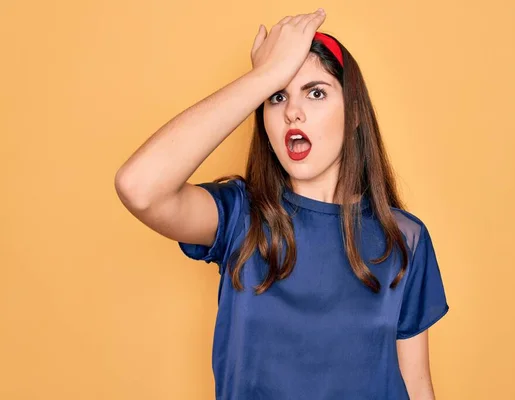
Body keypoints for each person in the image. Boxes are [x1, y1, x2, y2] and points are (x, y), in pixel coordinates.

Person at [115, 8, 449, 400]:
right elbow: (139, 186)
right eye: (277, 96)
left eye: (316, 92)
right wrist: (262, 76)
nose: (293, 110)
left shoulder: (403, 238)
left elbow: (417, 383)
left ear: (355, 113)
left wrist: (274, 78)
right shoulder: (240, 217)